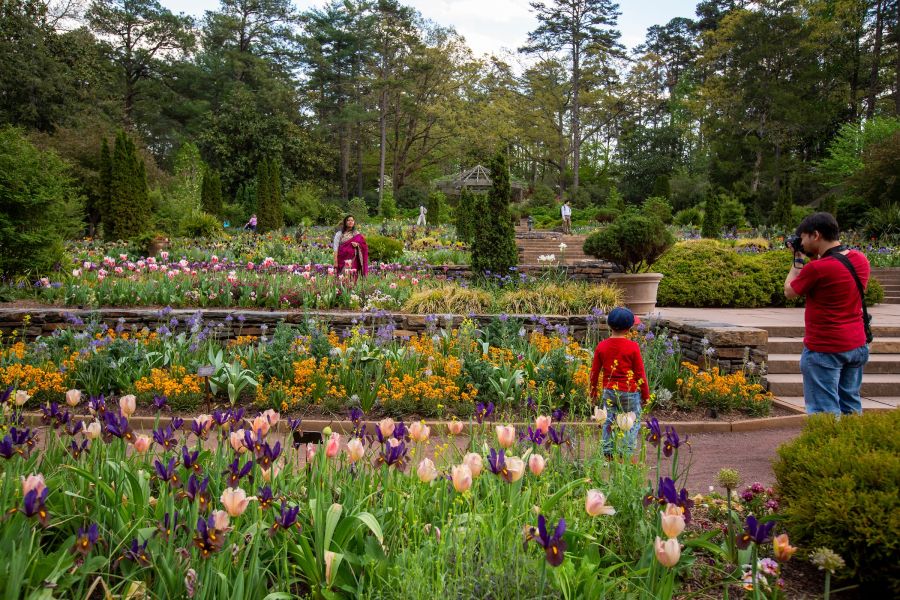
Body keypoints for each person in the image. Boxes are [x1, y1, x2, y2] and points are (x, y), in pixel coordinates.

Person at [784, 212, 871, 415]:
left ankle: (826, 445)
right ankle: (851, 445)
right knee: (850, 406)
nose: (801, 242)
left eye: (803, 237)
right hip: (857, 344)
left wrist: (797, 260)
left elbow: (789, 291)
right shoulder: (860, 259)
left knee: (824, 411)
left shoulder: (817, 268)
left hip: (825, 348)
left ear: (815, 235)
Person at [589, 307, 650, 456]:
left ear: (609, 325)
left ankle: (608, 452)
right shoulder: (633, 347)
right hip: (630, 391)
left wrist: (593, 392)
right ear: (629, 328)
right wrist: (646, 395)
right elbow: (640, 373)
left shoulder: (601, 346)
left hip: (609, 391)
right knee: (632, 421)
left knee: (608, 420)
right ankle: (626, 452)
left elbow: (594, 373)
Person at [332, 215, 369, 280]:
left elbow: (364, 246)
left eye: (352, 220)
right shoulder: (339, 234)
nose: (350, 222)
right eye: (348, 220)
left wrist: (358, 245)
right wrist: (335, 261)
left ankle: (352, 289)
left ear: (354, 222)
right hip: (341, 260)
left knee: (352, 278)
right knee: (341, 278)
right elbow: (335, 248)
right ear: (345, 222)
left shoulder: (357, 234)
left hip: (353, 260)